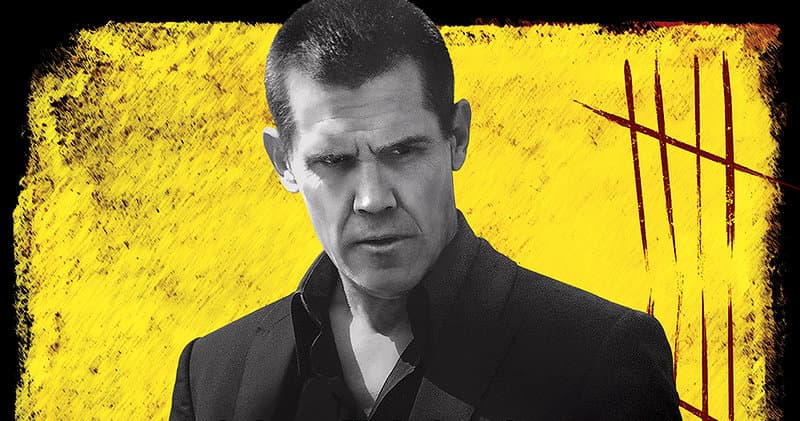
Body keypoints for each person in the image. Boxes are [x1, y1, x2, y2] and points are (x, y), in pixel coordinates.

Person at [169, 0, 682, 419]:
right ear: (284, 162)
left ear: (457, 136)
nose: (373, 199)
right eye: (335, 161)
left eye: (402, 151)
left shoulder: (603, 360)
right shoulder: (212, 374)